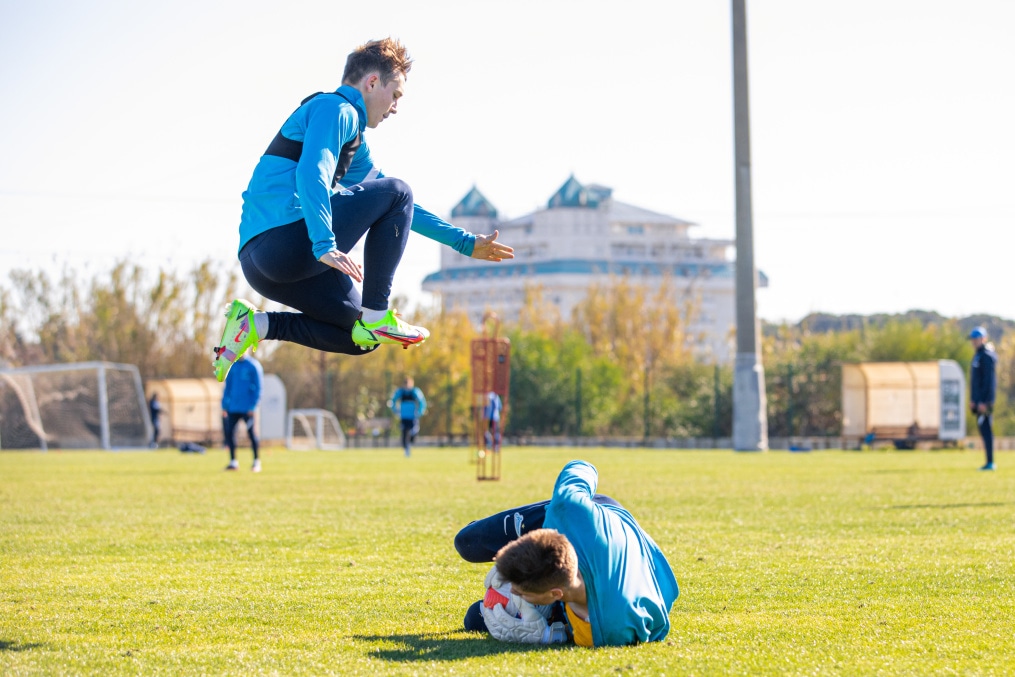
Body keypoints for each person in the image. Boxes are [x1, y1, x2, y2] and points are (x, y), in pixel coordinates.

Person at [212, 37, 513, 382]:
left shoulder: (353, 141)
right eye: (395, 95)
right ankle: (377, 313)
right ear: (372, 82)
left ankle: (255, 324)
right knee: (398, 193)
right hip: (282, 243)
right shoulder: (335, 109)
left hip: (261, 264)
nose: (395, 107)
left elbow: (402, 207)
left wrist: (464, 242)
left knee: (362, 339)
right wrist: (324, 244)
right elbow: (314, 170)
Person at [454, 460, 679, 647]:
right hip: (589, 520)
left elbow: (658, 627)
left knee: (475, 617)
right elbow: (582, 466)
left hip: (639, 561)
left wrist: (546, 636)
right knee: (467, 543)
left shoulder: (610, 627)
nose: (513, 590)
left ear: (556, 594)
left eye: (521, 592)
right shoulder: (568, 508)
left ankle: (553, 614)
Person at [222, 354, 264, 472]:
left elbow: (258, 388)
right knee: (230, 433)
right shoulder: (233, 366)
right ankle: (233, 462)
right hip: (233, 407)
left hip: (248, 408)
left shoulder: (253, 366)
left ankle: (256, 462)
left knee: (251, 434)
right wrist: (225, 405)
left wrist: (253, 406)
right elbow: (227, 387)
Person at [969, 326, 998, 471]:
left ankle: (990, 462)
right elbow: (975, 382)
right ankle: (988, 462)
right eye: (973, 339)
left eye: (977, 338)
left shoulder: (987, 356)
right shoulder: (978, 356)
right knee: (983, 430)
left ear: (984, 339)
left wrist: (985, 402)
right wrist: (973, 399)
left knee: (986, 430)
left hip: (984, 402)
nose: (974, 341)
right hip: (978, 401)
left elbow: (989, 382)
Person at [390, 377, 426, 457]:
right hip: (404, 416)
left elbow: (422, 402)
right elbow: (392, 401)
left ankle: (409, 445)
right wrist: (395, 410)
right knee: (404, 433)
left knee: (413, 433)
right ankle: (406, 449)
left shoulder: (415, 392)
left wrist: (419, 412)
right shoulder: (401, 392)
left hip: (413, 417)